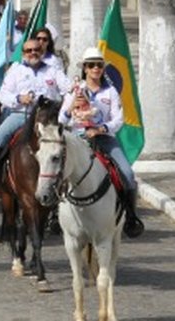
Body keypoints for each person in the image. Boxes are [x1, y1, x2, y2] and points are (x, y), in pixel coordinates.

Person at [58, 47, 144, 238]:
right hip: (78, 139)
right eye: (91, 65)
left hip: (104, 138)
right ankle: (55, 216)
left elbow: (118, 120)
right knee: (57, 170)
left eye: (99, 65)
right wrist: (72, 106)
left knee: (128, 174)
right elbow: (62, 120)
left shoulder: (111, 92)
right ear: (85, 69)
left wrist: (100, 129)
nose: (95, 69)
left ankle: (130, 215)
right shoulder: (75, 91)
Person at [0, 37, 72, 192]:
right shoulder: (15, 70)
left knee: (70, 142)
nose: (33, 53)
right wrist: (19, 98)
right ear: (23, 53)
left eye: (36, 50)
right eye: (29, 50)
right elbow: (3, 95)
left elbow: (68, 90)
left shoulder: (53, 71)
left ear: (42, 51)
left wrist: (64, 104)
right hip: (21, 113)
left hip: (48, 118)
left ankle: (68, 180)